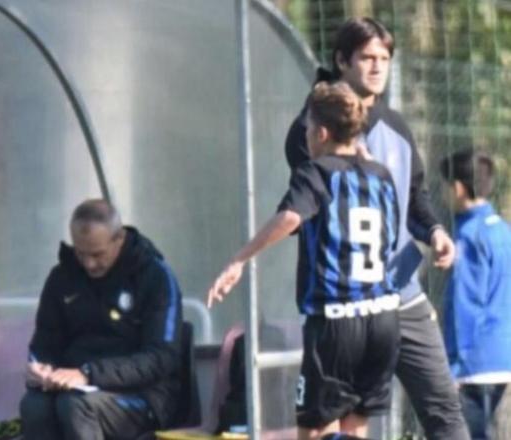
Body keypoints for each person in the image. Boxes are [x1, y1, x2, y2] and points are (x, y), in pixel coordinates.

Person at [284, 17, 469, 440]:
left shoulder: (397, 127)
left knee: (444, 408)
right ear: (341, 61)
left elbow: (415, 197)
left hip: (403, 294)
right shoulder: (313, 130)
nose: (377, 66)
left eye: (385, 58)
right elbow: (305, 208)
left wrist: (435, 232)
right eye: (367, 57)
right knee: (330, 424)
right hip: (348, 307)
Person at [208, 82, 401, 439]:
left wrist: (239, 259)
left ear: (322, 133)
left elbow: (290, 217)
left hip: (337, 322)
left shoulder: (316, 173)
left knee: (314, 430)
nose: (306, 136)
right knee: (355, 427)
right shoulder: (382, 176)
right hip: (383, 319)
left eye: (308, 128)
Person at [20, 199, 183, 440]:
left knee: (77, 406)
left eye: (97, 254)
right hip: (75, 390)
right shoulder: (62, 277)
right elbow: (45, 340)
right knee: (35, 406)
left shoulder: (155, 276)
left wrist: (89, 374)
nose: (89, 264)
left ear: (119, 239)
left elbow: (162, 357)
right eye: (80, 253)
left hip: (143, 396)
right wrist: (40, 369)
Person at [439, 149, 511, 440]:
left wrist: (454, 366)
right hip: (502, 358)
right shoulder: (503, 231)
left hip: (474, 364)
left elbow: (466, 304)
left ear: (457, 188)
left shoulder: (469, 234)